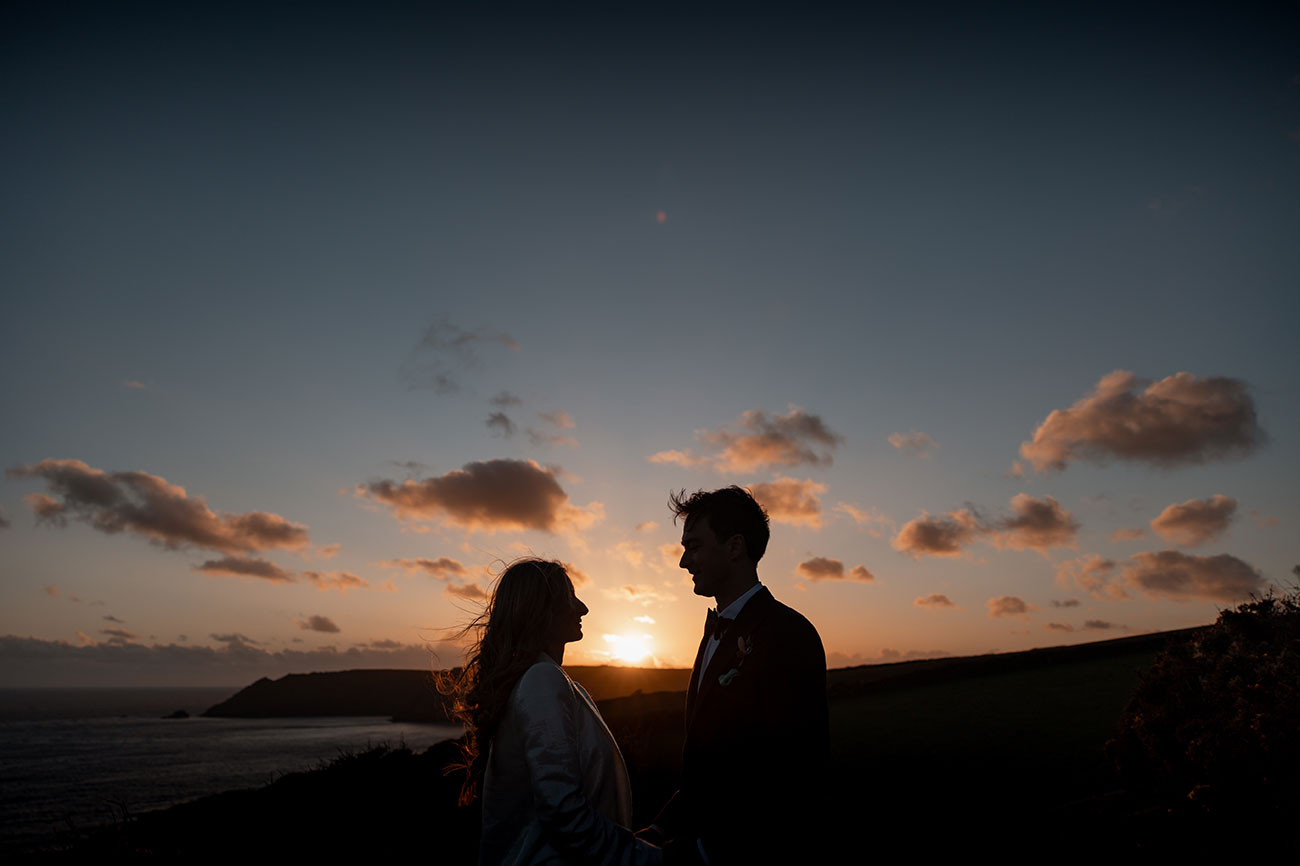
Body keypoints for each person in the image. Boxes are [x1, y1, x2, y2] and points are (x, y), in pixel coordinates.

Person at [638, 487, 829, 864]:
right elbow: (708, 767)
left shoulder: (788, 634)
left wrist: (705, 854)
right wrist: (661, 828)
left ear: (734, 546)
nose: (683, 562)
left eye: (693, 546)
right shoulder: (715, 632)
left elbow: (791, 776)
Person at [442, 558, 662, 865]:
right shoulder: (542, 680)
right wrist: (650, 859)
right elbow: (564, 814)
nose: (583, 608)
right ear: (541, 611)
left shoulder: (546, 681)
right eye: (570, 598)